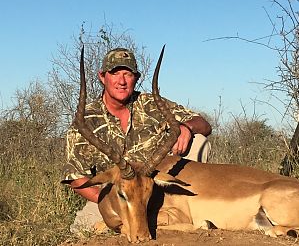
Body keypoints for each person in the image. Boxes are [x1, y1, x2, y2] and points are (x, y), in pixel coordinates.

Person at [62, 47, 212, 235]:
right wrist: (117, 203)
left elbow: (204, 124)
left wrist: (186, 127)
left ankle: (188, 207)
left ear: (137, 78)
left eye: (128, 74)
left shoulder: (151, 104)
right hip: (115, 196)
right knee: (81, 231)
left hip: (158, 193)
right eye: (115, 73)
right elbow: (75, 179)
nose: (122, 81)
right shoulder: (86, 120)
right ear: (102, 77)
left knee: (198, 140)